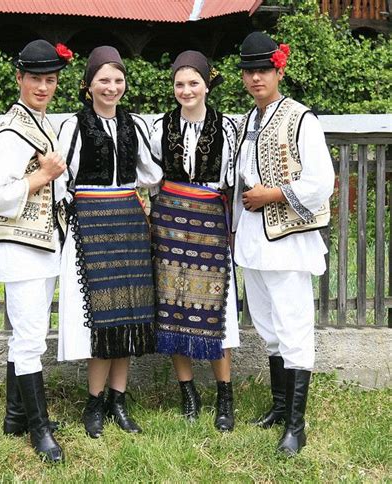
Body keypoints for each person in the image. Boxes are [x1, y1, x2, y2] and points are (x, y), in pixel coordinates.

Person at [232, 32, 335, 455]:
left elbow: (321, 184)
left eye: (264, 70)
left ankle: (296, 425)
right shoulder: (246, 122)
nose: (256, 77)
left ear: (279, 70)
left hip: (289, 242)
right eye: (249, 71)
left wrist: (271, 194)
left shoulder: (300, 119)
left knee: (294, 328)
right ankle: (279, 407)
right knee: (268, 327)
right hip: (254, 241)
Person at [57, 46, 163, 439]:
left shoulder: (133, 124)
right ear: (88, 85)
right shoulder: (73, 125)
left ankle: (119, 401)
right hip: (92, 227)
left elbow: (152, 172)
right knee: (102, 321)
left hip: (130, 225)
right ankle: (95, 403)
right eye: (104, 79)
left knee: (129, 317)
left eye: (118, 80)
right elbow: (60, 177)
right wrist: (75, 210)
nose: (112, 87)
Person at [0, 39, 73, 463]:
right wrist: (43, 176)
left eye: (50, 79)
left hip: (40, 245)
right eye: (35, 78)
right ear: (19, 78)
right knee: (31, 340)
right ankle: (40, 430)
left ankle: (15, 417)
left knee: (25, 334)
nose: (43, 86)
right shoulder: (11, 132)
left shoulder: (39, 123)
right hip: (22, 250)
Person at [150, 51, 240, 432]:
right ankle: (187, 392)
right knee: (172, 305)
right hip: (169, 221)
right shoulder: (159, 127)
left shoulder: (228, 128)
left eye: (193, 83)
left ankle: (224, 394)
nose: (186, 90)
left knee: (217, 308)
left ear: (207, 84)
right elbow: (149, 174)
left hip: (209, 220)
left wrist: (232, 229)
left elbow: (234, 184)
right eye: (179, 84)